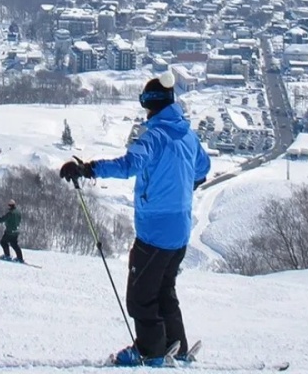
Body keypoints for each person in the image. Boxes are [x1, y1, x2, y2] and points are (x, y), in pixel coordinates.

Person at [59, 71, 210, 368]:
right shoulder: (187, 134)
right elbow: (202, 168)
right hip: (180, 231)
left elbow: (129, 165)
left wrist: (88, 169)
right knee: (164, 289)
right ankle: (175, 346)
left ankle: (151, 351)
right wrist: (181, 184)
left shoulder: (153, 137)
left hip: (155, 231)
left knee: (141, 296)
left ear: (150, 102)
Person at [0, 197, 23, 263]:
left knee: (3, 242)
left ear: (10, 206)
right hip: (16, 231)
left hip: (9, 232)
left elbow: (1, 219)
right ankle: (20, 258)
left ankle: (7, 256)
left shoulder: (10, 213)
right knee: (14, 244)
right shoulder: (18, 212)